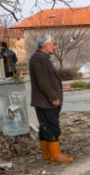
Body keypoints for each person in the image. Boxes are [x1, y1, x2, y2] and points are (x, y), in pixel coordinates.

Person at [29, 35, 73, 164]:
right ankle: (55, 156)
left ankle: (48, 154)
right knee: (52, 127)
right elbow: (43, 81)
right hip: (46, 101)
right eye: (53, 44)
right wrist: (53, 97)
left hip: (44, 100)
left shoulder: (42, 58)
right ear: (46, 45)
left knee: (45, 127)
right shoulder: (39, 58)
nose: (55, 47)